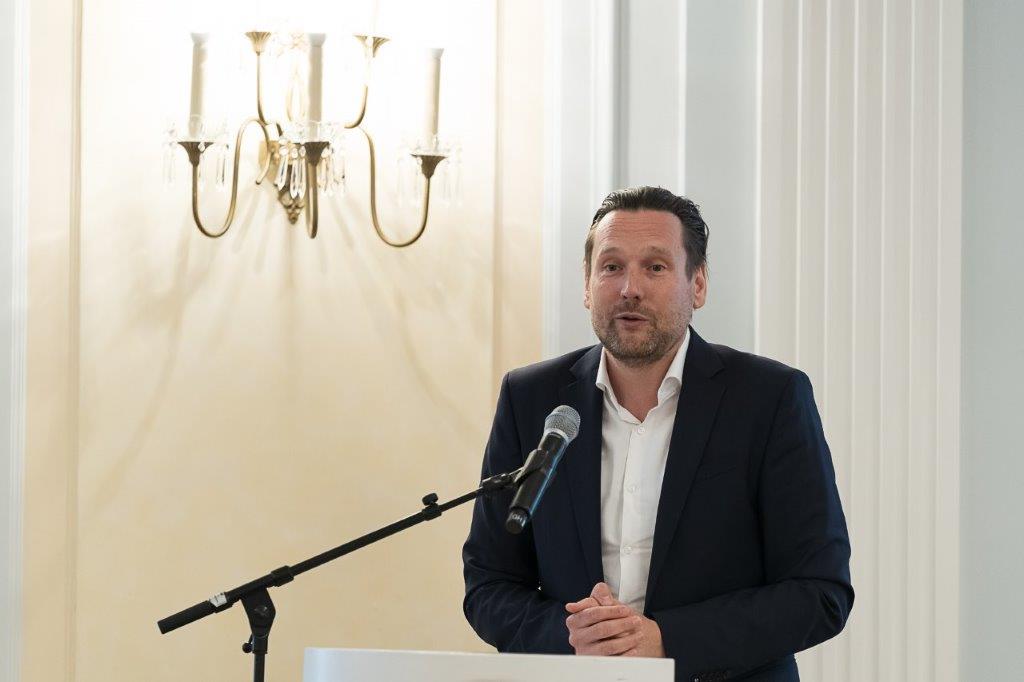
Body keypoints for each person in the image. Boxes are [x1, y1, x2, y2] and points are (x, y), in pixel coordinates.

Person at [462, 186, 853, 681]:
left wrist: (665, 640)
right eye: (611, 267)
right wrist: (574, 638)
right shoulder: (531, 399)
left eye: (655, 267)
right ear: (587, 286)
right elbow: (489, 583)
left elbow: (819, 591)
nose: (630, 288)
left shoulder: (770, 398)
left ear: (698, 285)